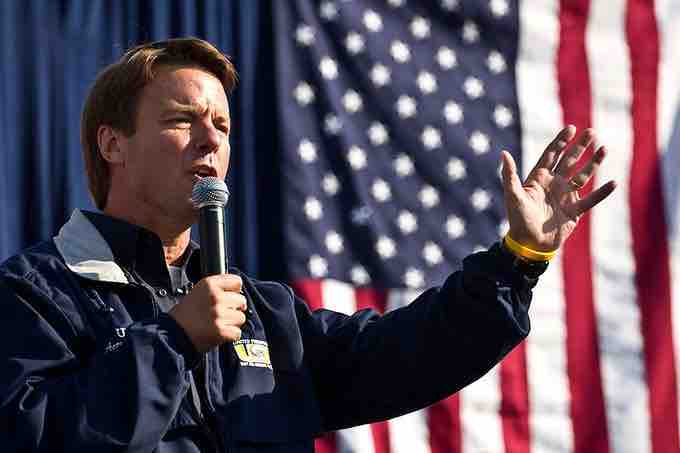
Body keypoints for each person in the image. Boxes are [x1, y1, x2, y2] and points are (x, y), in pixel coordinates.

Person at [0, 38, 616, 453]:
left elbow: (409, 353)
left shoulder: (265, 315)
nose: (210, 140)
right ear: (113, 144)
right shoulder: (35, 293)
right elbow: (31, 434)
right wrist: (173, 341)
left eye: (221, 125)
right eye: (182, 120)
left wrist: (518, 260)